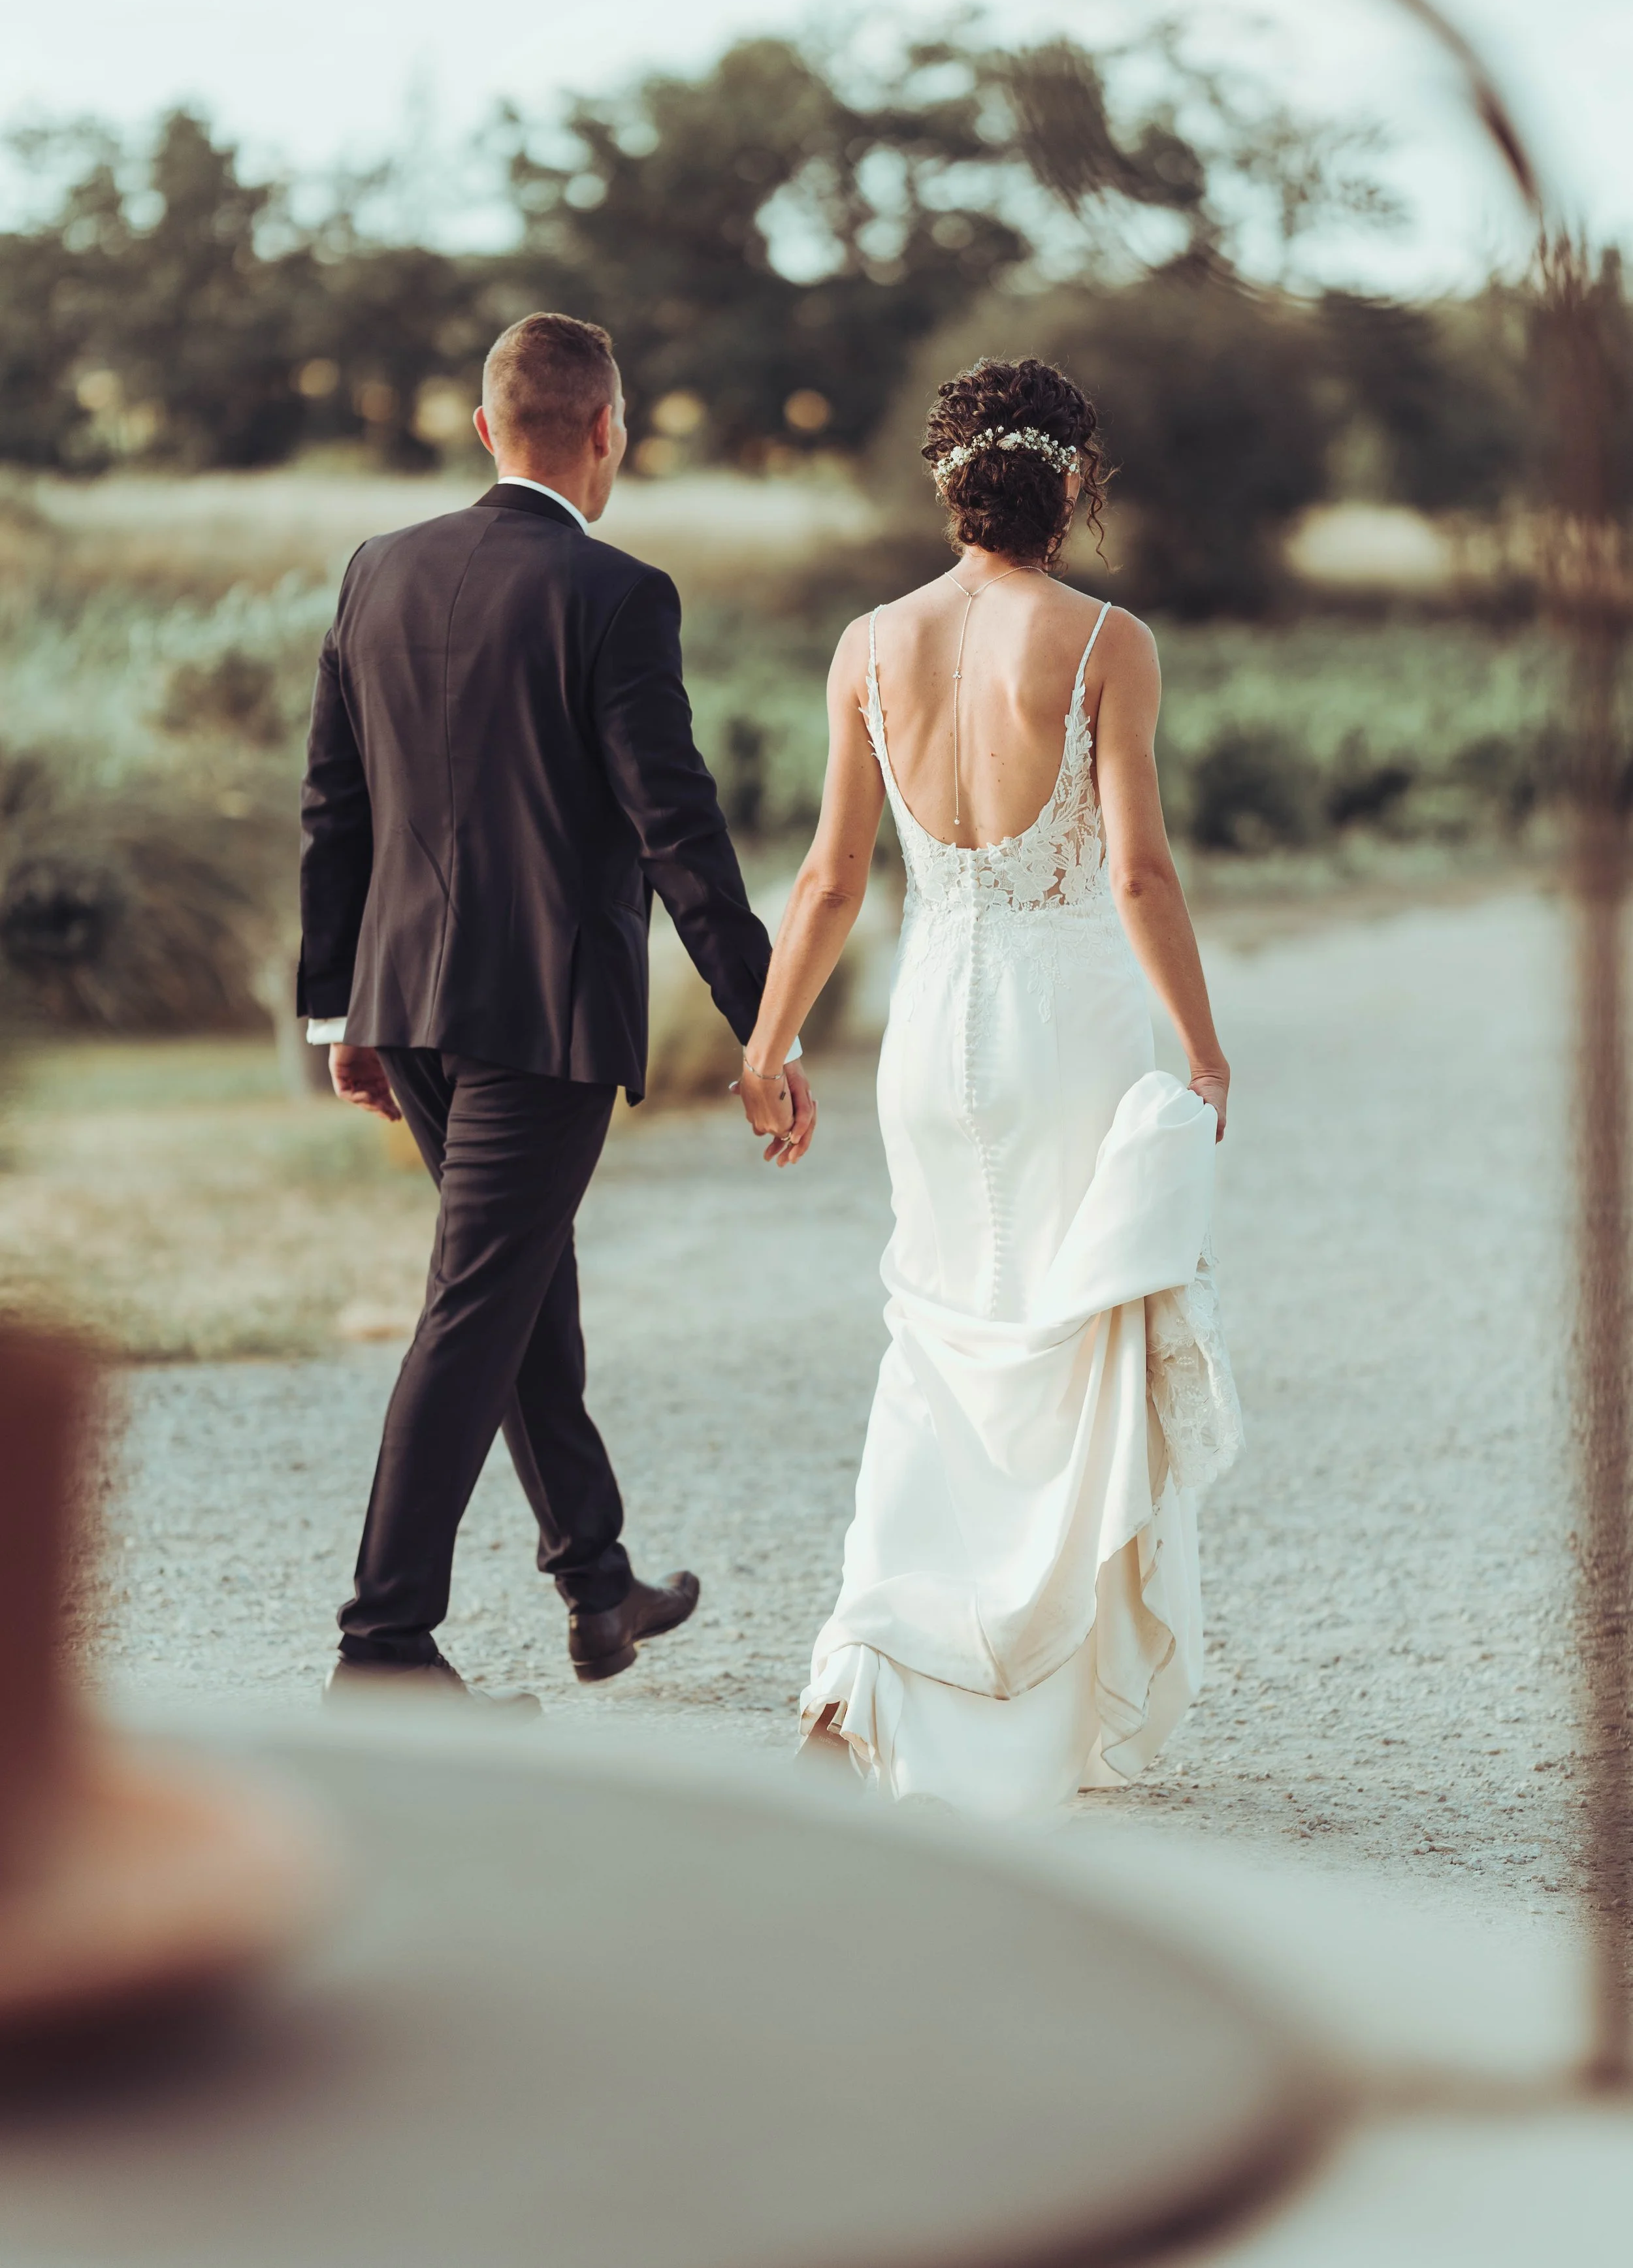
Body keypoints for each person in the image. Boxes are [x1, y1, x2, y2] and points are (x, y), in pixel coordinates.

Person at [736, 356, 1243, 1822]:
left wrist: (768, 1047)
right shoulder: (1104, 643)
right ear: (1072, 484)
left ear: (945, 480)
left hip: (926, 1029)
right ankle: (1028, 1682)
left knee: (935, 1340)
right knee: (1062, 1341)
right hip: (1068, 1026)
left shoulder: (869, 642)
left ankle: (867, 1666)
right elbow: (1139, 871)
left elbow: (831, 878)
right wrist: (1200, 1049)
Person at [298, 311, 813, 1709]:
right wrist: (764, 1024)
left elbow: (333, 807)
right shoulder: (618, 594)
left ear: (483, 429)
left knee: (520, 1281)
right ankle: (383, 1643)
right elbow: (676, 827)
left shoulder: (376, 570)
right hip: (537, 1015)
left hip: (406, 1006)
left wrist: (335, 1009)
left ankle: (596, 1583)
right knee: (478, 1299)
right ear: (606, 434)